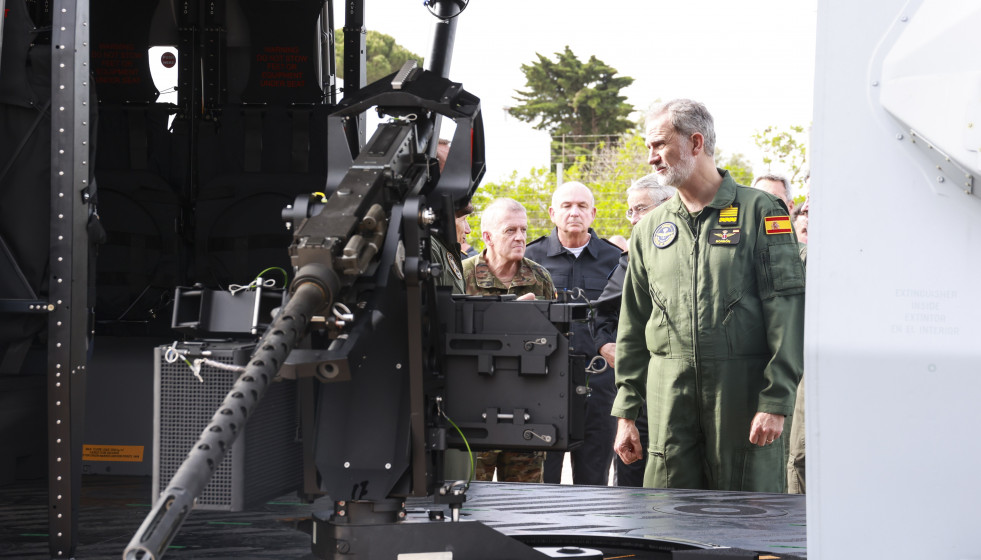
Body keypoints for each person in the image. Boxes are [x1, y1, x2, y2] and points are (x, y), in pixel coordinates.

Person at [612, 99, 805, 492]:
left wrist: (775, 401)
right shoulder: (650, 229)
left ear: (696, 142)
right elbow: (632, 325)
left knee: (747, 527)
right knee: (669, 528)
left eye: (659, 145)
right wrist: (626, 414)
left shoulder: (760, 211)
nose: (651, 158)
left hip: (742, 403)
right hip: (670, 407)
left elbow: (786, 313)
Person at [525, 181, 622, 486]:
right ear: (553, 213)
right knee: (543, 480)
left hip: (601, 382)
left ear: (593, 213)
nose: (574, 212)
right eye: (567, 206)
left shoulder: (616, 259)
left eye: (582, 206)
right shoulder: (530, 257)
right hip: (543, 384)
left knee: (594, 478)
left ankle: (589, 535)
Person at [461, 198, 555, 482]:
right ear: (487, 237)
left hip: (526, 408)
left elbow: (555, 344)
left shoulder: (539, 278)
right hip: (474, 409)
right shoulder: (462, 275)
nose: (520, 237)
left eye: (523, 230)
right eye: (510, 230)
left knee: (525, 503)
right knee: (471, 498)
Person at [593, 173, 675, 487]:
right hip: (641, 394)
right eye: (631, 211)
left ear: (668, 205)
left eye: (640, 209)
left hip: (688, 392)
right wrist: (605, 345)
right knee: (633, 479)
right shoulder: (630, 260)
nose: (634, 219)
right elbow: (602, 314)